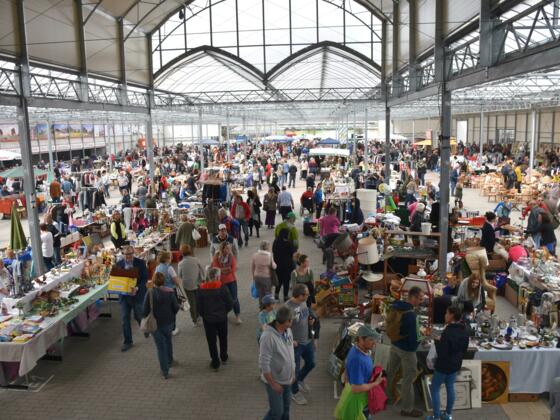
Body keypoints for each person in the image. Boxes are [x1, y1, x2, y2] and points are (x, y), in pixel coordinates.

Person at [387, 286, 425, 418]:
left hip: (394, 345)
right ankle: (407, 409)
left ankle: (387, 397)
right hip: (407, 351)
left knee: (391, 372)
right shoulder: (411, 315)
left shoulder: (396, 306)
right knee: (408, 379)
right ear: (413, 297)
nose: (421, 301)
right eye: (420, 299)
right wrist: (422, 337)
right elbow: (414, 341)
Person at [334, 325, 384, 420]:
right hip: (358, 402)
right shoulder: (358, 360)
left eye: (374, 339)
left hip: (356, 397)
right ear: (361, 339)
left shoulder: (356, 348)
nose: (374, 342)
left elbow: (347, 371)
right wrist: (376, 383)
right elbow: (356, 388)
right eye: (371, 339)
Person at [428, 305, 469, 420]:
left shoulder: (447, 331)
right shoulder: (464, 329)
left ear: (451, 315)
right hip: (455, 364)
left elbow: (442, 352)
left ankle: (436, 417)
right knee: (450, 386)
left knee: (435, 388)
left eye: (446, 313)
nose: (445, 315)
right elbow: (464, 348)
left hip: (443, 365)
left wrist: (437, 341)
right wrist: (440, 340)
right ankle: (448, 415)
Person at [259, 306, 296, 420]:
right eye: (292, 320)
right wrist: (273, 383)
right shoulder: (267, 337)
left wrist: (293, 373)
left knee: (286, 409)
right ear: (287, 322)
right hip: (275, 381)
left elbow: (290, 351)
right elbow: (264, 364)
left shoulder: (288, 330)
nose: (293, 322)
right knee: (276, 413)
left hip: (287, 379)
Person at [143, 272, 180, 379]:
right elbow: (176, 307)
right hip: (168, 323)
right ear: (164, 281)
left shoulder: (150, 293)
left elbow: (144, 310)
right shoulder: (170, 292)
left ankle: (165, 371)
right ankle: (170, 360)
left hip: (155, 325)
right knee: (168, 341)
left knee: (160, 347)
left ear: (153, 281)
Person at [197, 267, 233, 371]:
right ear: (217, 277)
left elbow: (199, 307)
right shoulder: (222, 288)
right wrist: (224, 312)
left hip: (208, 320)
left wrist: (204, 315)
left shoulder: (201, 289)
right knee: (223, 338)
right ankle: (224, 357)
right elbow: (230, 304)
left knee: (211, 341)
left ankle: (215, 362)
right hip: (222, 319)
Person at [284, 284, 315, 406]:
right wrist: (290, 341)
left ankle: (300, 379)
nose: (308, 296)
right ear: (300, 295)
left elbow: (304, 317)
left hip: (307, 340)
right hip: (296, 345)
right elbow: (281, 328)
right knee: (294, 371)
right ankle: (294, 392)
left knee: (311, 363)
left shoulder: (303, 302)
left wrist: (310, 323)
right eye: (306, 294)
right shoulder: (287, 308)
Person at [116, 245, 149, 352]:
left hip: (137, 295)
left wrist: (137, 288)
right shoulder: (119, 264)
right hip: (124, 297)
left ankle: (145, 328)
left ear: (133, 253)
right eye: (126, 254)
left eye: (130, 254)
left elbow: (145, 278)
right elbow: (116, 280)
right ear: (123, 254)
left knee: (138, 315)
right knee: (125, 319)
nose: (128, 256)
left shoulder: (140, 263)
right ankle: (128, 342)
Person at [211, 241, 241, 324]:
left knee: (234, 298)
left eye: (229, 248)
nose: (229, 249)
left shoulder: (231, 256)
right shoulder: (216, 257)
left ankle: (238, 316)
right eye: (227, 248)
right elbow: (215, 269)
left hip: (232, 281)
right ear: (222, 249)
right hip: (221, 282)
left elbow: (233, 269)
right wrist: (226, 269)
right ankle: (224, 315)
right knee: (223, 300)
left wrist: (222, 270)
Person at [177, 244, 204, 326]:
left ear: (181, 253)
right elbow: (202, 270)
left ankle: (194, 320)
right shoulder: (196, 260)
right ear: (190, 251)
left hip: (187, 285)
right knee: (198, 300)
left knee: (192, 303)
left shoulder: (180, 263)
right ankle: (199, 315)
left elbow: (180, 275)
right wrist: (203, 279)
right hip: (197, 283)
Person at [273, 229, 297, 301]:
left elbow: (273, 251)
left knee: (279, 280)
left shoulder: (275, 242)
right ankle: (285, 296)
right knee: (286, 281)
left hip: (277, 265)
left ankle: (276, 294)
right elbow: (293, 253)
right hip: (287, 265)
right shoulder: (288, 243)